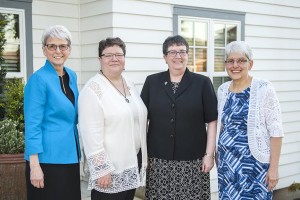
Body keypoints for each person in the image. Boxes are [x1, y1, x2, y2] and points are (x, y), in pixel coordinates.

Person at [141, 35, 218, 199]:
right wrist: (144, 154)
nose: (178, 56)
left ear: (188, 55)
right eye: (172, 52)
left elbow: (212, 120)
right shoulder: (152, 82)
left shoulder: (203, 83)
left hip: (193, 161)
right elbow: (142, 120)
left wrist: (209, 155)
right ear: (165, 57)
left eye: (182, 51)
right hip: (158, 161)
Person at [78, 37, 148, 200]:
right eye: (108, 55)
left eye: (119, 54)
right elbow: (90, 134)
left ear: (124, 58)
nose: (114, 59)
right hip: (110, 169)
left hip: (132, 162)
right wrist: (101, 169)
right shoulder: (93, 89)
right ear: (99, 59)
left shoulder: (130, 84)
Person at [216, 41, 284, 199]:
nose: (235, 65)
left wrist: (273, 168)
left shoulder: (263, 88)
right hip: (227, 166)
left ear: (250, 63)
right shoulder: (222, 90)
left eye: (241, 60)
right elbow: (221, 126)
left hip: (255, 166)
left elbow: (276, 130)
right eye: (230, 61)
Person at [24, 25, 81, 200]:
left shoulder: (71, 75)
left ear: (69, 49)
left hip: (71, 156)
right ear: (44, 49)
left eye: (62, 46)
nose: (58, 51)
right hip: (46, 160)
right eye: (52, 46)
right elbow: (32, 124)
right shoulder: (38, 79)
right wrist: (34, 166)